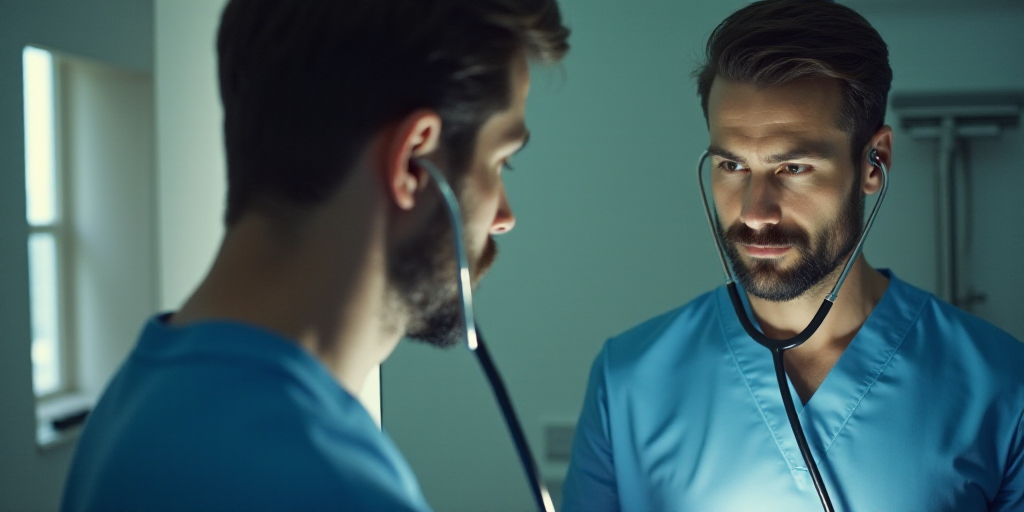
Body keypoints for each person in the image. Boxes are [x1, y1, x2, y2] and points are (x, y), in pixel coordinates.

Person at [61, 1, 569, 510]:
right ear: (414, 163)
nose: (505, 215)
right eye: (501, 161)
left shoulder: (133, 405)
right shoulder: (335, 488)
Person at [562, 1, 1023, 510]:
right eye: (733, 165)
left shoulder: (1003, 389)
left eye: (795, 168)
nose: (756, 212)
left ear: (875, 163)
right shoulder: (627, 382)